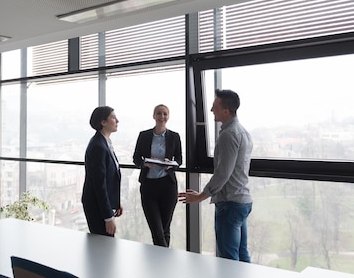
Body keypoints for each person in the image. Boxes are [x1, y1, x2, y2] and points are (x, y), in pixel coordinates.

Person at [178, 89, 253, 262]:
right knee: (241, 254)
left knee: (227, 259)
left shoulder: (229, 135)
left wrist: (200, 196)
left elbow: (223, 173)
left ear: (226, 111)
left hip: (230, 203)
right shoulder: (243, 132)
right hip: (242, 201)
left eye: (214, 107)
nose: (212, 111)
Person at [133, 104, 183, 247]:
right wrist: (145, 163)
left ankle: (162, 263)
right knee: (157, 230)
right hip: (149, 186)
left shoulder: (174, 136)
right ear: (154, 116)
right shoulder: (144, 136)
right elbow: (136, 158)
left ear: (168, 116)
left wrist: (171, 163)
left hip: (167, 186)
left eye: (165, 114)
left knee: (165, 230)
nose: (162, 117)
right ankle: (163, 261)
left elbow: (179, 160)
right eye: (159, 113)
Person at [82, 106, 123, 237]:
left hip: (102, 204)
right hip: (96, 206)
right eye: (113, 117)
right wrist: (108, 218)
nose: (117, 120)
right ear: (103, 122)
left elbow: (109, 178)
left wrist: (115, 202)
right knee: (103, 247)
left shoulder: (105, 142)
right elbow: (99, 185)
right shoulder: (98, 146)